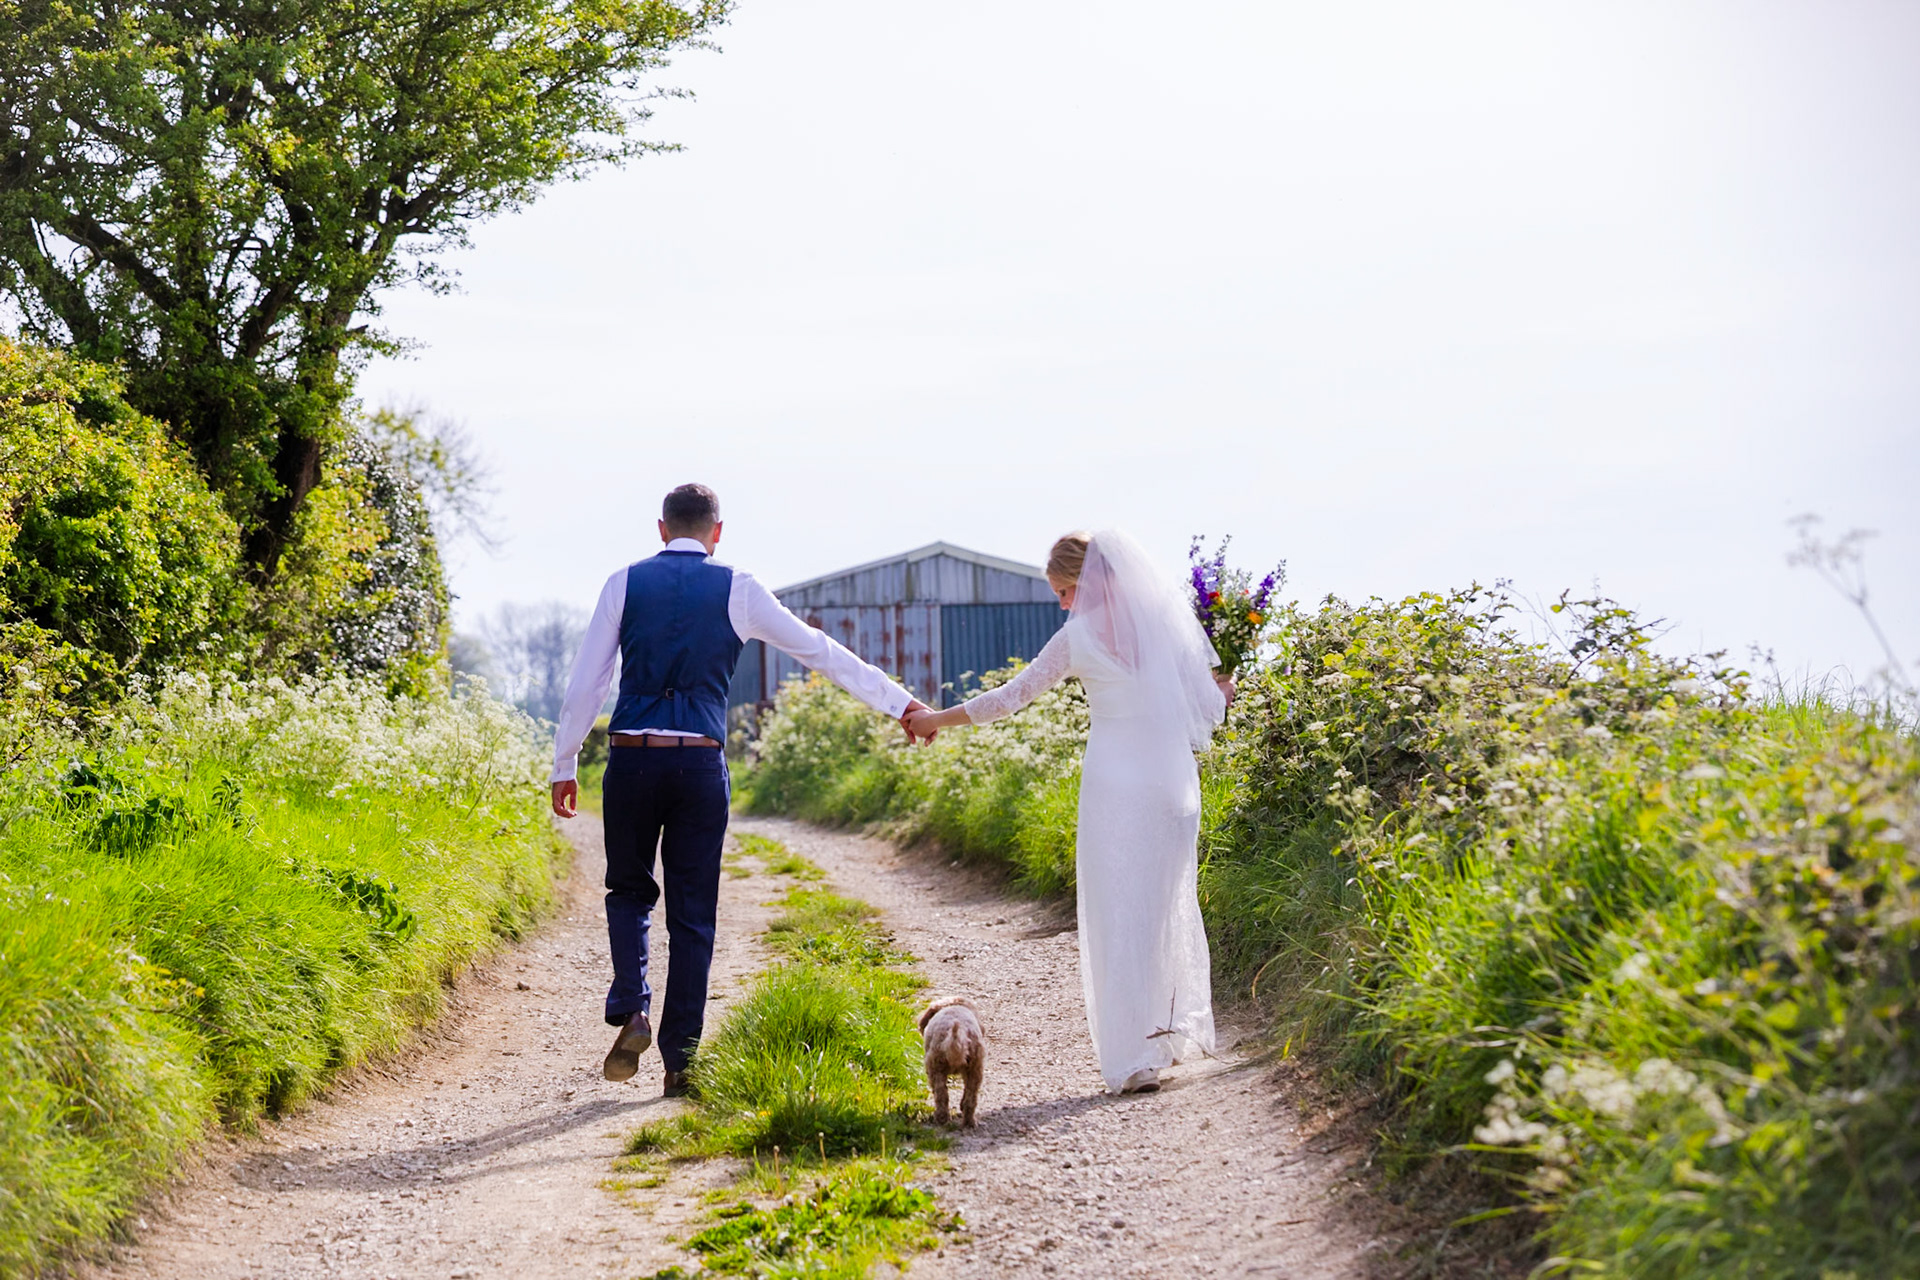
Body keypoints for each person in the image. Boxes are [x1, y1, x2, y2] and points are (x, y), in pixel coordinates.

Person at [549, 483, 932, 1095]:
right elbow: (822, 652)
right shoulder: (740, 588)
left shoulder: (623, 583)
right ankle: (680, 1062)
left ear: (661, 529)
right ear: (717, 532)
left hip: (632, 759)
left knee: (628, 890)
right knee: (693, 914)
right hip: (699, 765)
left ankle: (633, 1006)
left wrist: (565, 761)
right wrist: (901, 704)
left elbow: (587, 682)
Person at [906, 530, 1229, 1094]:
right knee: (1159, 911)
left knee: (1118, 917)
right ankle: (1165, 1035)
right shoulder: (1162, 627)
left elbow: (1009, 698)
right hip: (1174, 786)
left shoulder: (1077, 638)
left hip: (1118, 791)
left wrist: (935, 719)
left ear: (1089, 580)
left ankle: (1134, 1058)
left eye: (1063, 590)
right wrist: (1228, 683)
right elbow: (1210, 705)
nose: (1061, 604)